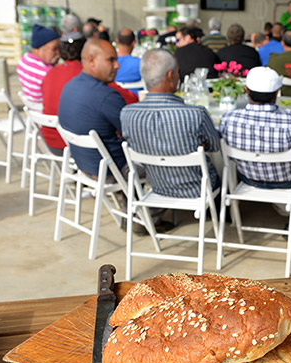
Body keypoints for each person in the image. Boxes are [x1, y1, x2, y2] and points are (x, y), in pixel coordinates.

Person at [58, 39, 169, 233]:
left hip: (83, 165)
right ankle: (145, 218)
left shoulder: (69, 87)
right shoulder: (106, 96)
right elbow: (139, 134)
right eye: (111, 60)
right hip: (112, 169)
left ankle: (132, 212)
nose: (117, 65)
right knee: (171, 163)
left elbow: (123, 128)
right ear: (91, 60)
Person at [219, 67, 291, 235]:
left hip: (248, 178)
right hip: (287, 180)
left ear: (247, 91)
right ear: (277, 93)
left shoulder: (228, 119)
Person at [121, 49, 221, 199]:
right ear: (170, 75)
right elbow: (215, 146)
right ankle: (220, 216)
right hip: (197, 189)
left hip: (157, 186)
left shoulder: (127, 114)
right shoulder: (196, 114)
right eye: (177, 72)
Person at [42, 33, 137, 155]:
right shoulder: (94, 80)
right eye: (111, 60)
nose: (117, 66)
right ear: (88, 57)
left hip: (59, 144)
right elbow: (130, 107)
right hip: (93, 155)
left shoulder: (52, 75)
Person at [17, 24, 60, 103]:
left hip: (31, 111)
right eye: (54, 49)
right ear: (38, 49)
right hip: (44, 111)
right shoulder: (47, 73)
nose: (58, 52)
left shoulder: (24, 60)